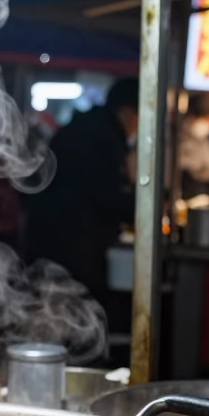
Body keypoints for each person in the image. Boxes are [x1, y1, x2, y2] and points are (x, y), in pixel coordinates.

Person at [24, 78, 138, 301]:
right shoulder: (102, 137)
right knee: (67, 308)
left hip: (51, 235)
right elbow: (106, 196)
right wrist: (143, 209)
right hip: (70, 242)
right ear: (126, 112)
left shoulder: (88, 127)